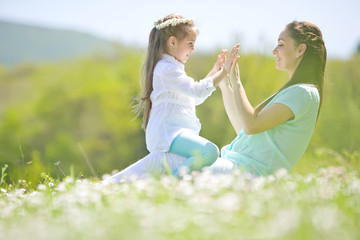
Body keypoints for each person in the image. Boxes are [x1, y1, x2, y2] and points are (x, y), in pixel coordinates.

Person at [103, 14, 238, 183]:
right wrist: (224, 72)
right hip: (169, 134)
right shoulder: (166, 69)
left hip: (175, 133)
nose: (193, 49)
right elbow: (196, 91)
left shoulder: (172, 68)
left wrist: (215, 71)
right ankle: (172, 184)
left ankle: (174, 181)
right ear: (172, 42)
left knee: (207, 153)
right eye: (190, 43)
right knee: (209, 152)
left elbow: (194, 98)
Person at [210, 21, 327, 176]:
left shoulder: (303, 93)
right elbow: (245, 129)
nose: (274, 50)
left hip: (247, 172)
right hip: (241, 168)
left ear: (300, 49)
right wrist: (226, 85)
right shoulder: (296, 91)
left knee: (180, 165)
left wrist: (237, 82)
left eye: (281, 44)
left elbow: (251, 125)